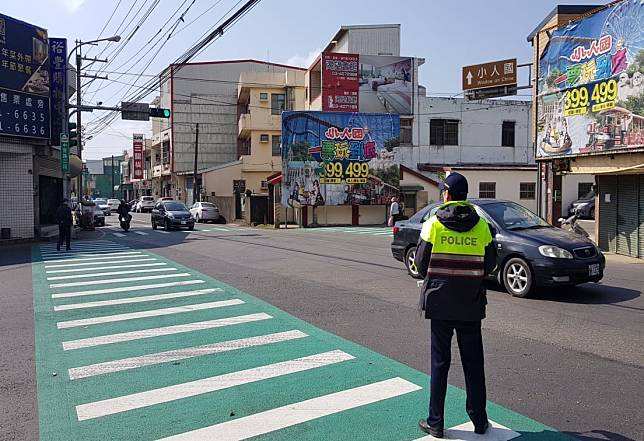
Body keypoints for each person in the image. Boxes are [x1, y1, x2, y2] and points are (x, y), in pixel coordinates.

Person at [414, 173, 496, 438]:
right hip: (471, 303)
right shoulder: (482, 225)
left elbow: (421, 263)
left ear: (447, 194)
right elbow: (491, 264)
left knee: (440, 364)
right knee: (474, 364)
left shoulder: (433, 223)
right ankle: (480, 421)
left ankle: (435, 422)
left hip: (440, 303)